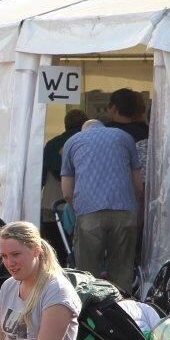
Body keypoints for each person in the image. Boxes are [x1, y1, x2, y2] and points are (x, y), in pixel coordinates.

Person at [60, 119, 143, 292]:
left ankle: (91, 312)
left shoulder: (73, 141)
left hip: (89, 213)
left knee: (87, 273)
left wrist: (79, 211)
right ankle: (122, 309)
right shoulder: (124, 137)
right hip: (124, 211)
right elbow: (138, 185)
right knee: (122, 269)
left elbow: (67, 192)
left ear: (84, 129)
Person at [41, 110, 87, 263]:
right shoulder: (84, 142)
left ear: (66, 124)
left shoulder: (52, 144)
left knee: (55, 247)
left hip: (52, 201)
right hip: (80, 201)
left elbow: (42, 173)